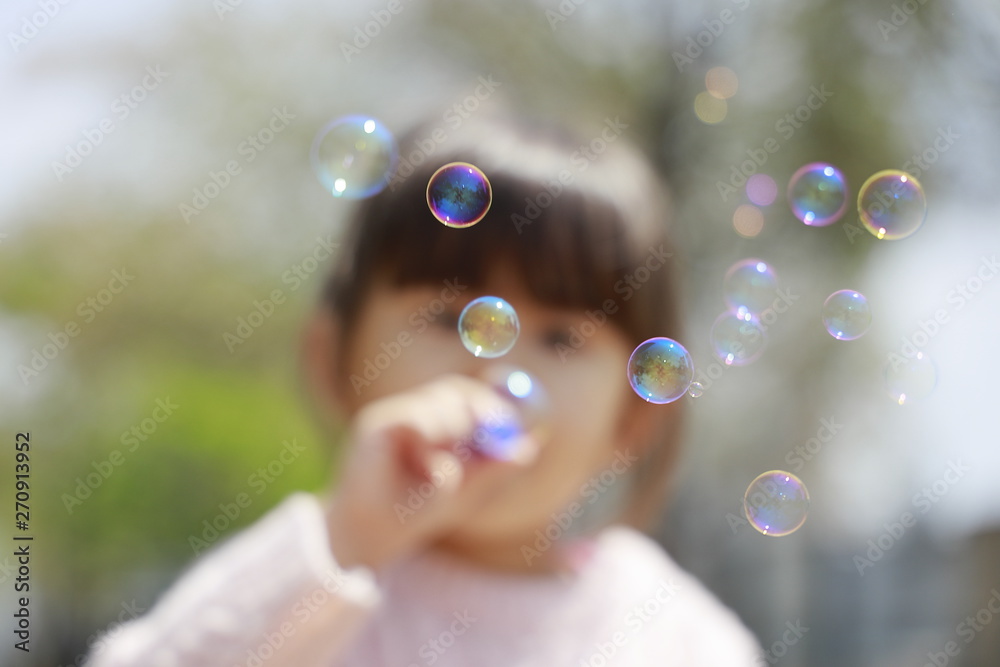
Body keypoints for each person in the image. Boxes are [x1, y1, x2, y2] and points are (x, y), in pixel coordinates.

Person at [86, 113, 762, 666]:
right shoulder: (315, 576)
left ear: (637, 413)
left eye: (561, 339)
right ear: (334, 361)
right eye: (448, 317)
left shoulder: (674, 634)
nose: (500, 372)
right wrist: (350, 536)